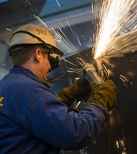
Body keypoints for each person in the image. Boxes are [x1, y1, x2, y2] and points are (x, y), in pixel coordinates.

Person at [0, 24, 117, 153]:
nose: (50, 67)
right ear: (38, 54)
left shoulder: (7, 86)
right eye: (51, 59)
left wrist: (70, 94)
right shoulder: (29, 90)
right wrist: (101, 100)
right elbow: (76, 133)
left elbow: (36, 116)